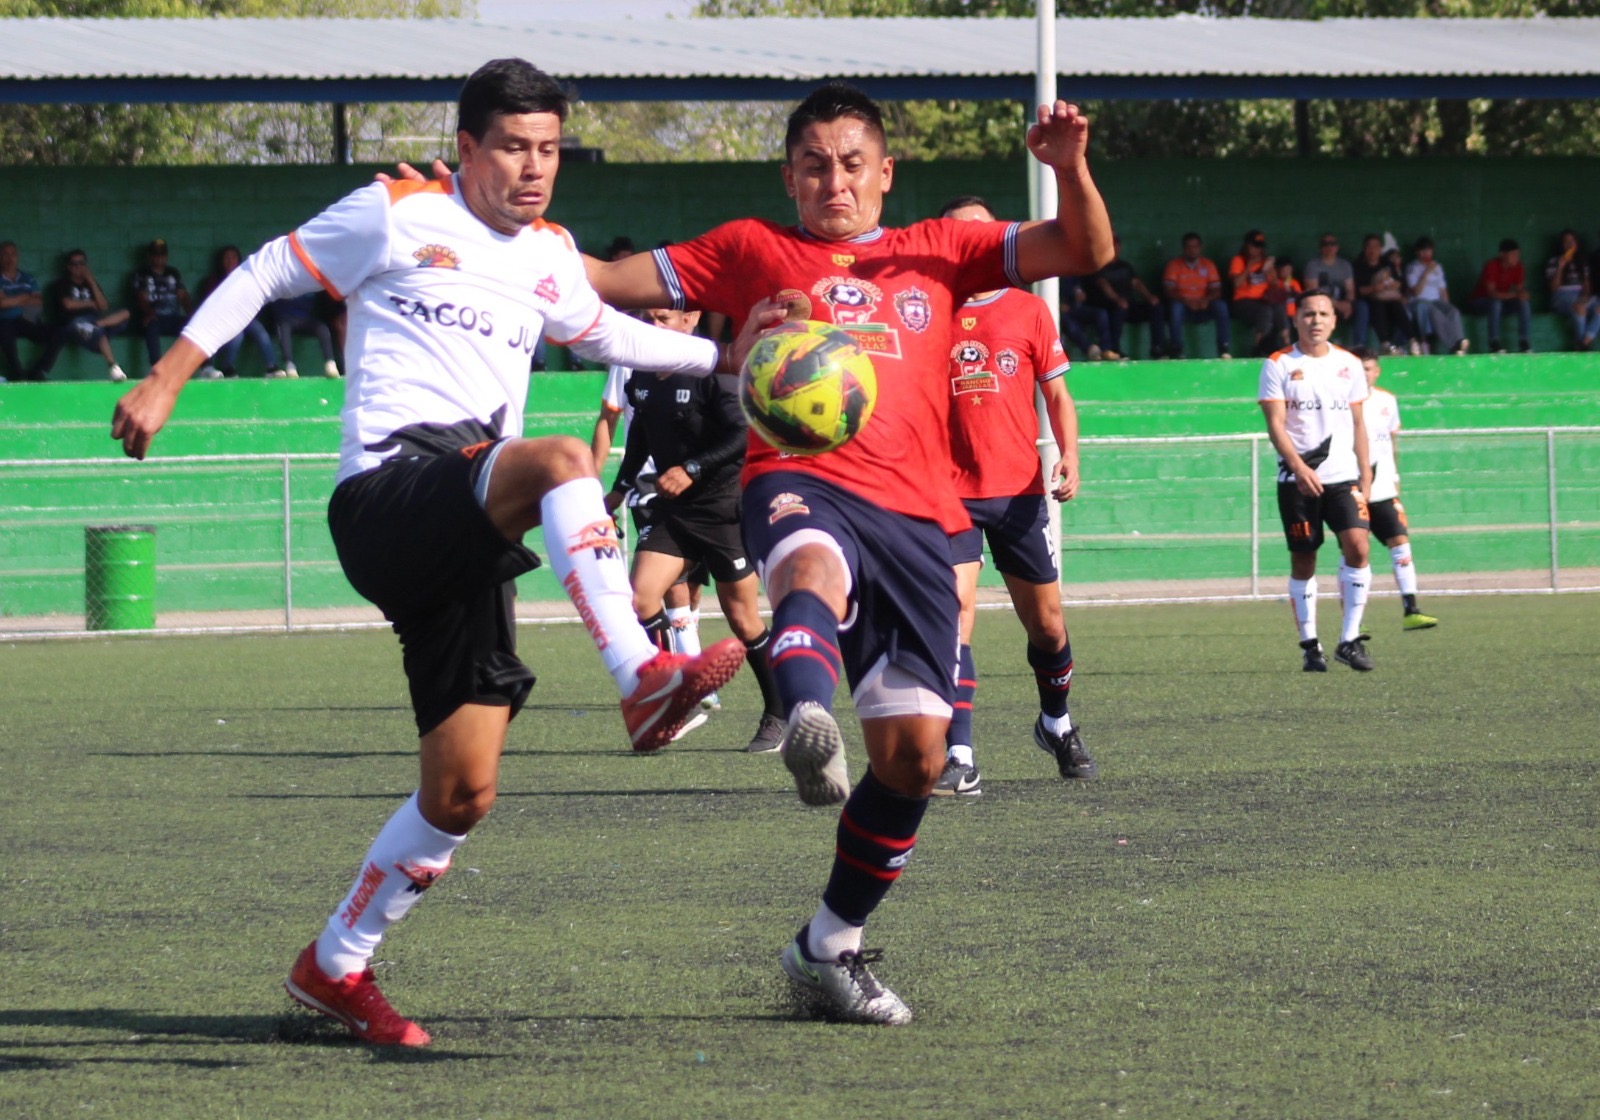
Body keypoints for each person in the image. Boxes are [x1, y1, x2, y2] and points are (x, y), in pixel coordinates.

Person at [110, 58, 757, 1049]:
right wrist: (166, 378)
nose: (534, 168)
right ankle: (640, 675)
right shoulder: (397, 211)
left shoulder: (548, 254)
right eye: (514, 147)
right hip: (388, 494)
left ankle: (334, 964)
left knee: (461, 790)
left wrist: (729, 359)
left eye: (549, 150)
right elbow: (266, 271)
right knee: (561, 456)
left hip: (467, 525)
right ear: (466, 148)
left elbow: (611, 335)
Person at [576, 82, 1112, 1024]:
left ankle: (827, 944)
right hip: (798, 478)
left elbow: (1085, 250)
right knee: (811, 565)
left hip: (920, 517)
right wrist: (490, 221)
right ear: (789, 177)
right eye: (815, 165)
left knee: (915, 757)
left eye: (852, 163)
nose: (835, 181)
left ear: (885, 172)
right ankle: (804, 712)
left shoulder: (941, 249)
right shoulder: (748, 249)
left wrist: (1069, 166)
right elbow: (602, 281)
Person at [932, 195, 1092, 799]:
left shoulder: (1029, 309)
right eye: (957, 236)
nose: (969, 245)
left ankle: (1056, 723)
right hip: (946, 493)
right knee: (955, 616)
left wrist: (1069, 453)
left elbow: (1059, 396)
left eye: (980, 234)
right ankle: (960, 754)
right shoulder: (925, 312)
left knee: (1048, 626)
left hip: (1020, 491)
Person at [605, 307, 786, 755]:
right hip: (675, 511)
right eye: (648, 317)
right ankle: (673, 697)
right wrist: (619, 489)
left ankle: (779, 712)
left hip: (724, 511)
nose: (654, 325)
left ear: (690, 320)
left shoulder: (714, 370)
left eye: (664, 317)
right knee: (641, 598)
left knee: (743, 619)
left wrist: (692, 467)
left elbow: (742, 434)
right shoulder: (642, 373)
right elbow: (641, 434)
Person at [1258, 289, 1375, 674]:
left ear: (1334, 320)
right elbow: (1275, 425)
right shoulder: (1278, 364)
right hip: (1297, 480)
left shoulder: (1349, 364)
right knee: (1304, 558)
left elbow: (1358, 423)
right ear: (1296, 319)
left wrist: (1366, 473)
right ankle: (1311, 645)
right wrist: (1298, 467)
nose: (1316, 320)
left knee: (1358, 547)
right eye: (1309, 314)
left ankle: (1350, 640)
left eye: (1324, 314)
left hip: (1343, 477)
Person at [1350, 346, 1439, 631]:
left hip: (1384, 489)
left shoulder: (1387, 400)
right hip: (1352, 489)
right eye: (1359, 369)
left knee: (1400, 542)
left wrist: (1395, 476)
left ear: (1376, 372)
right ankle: (1354, 622)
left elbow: (1392, 441)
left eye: (1368, 369)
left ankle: (1411, 610)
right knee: (1355, 552)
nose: (1364, 374)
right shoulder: (1341, 403)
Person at [197, 245, 285, 379]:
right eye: (227, 258)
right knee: (237, 335)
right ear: (221, 261)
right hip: (224, 317)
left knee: (260, 332)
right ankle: (228, 368)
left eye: (233, 257)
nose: (230, 261)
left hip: (244, 315)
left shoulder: (243, 278)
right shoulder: (214, 280)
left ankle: (271, 367)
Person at [46, 249, 130, 382]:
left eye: (82, 263)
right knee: (98, 332)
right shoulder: (63, 283)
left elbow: (103, 306)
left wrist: (91, 282)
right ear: (69, 266)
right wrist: (91, 303)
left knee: (125, 313)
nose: (78, 267)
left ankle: (96, 326)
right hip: (75, 323)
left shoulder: (90, 283)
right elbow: (68, 304)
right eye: (74, 264)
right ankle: (113, 366)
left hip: (96, 320)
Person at [1089, 234, 1167, 359]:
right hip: (1110, 307)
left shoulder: (1125, 266)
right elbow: (1103, 285)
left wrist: (1149, 297)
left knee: (1156, 307)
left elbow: (1136, 283)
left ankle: (1157, 349)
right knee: (1120, 309)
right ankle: (1115, 349)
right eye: (1112, 246)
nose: (1115, 249)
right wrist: (1117, 300)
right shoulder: (1100, 266)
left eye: (1117, 246)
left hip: (1129, 306)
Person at [1162, 232, 1229, 359]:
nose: (1192, 250)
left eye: (1195, 246)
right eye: (1188, 247)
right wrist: (1186, 301)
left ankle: (1223, 348)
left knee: (1221, 306)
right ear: (1184, 248)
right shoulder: (1174, 265)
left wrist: (1206, 299)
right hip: (1184, 306)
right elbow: (1168, 290)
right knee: (1175, 308)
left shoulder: (1208, 264)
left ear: (1200, 248)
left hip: (1204, 306)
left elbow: (1217, 290)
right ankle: (1177, 350)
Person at [132, 238, 192, 371]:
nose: (159, 258)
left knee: (195, 325)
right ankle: (157, 368)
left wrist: (192, 314)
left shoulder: (173, 272)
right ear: (149, 256)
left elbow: (183, 295)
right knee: (151, 325)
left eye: (162, 254)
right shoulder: (142, 273)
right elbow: (141, 298)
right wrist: (149, 313)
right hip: (154, 318)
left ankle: (206, 367)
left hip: (173, 317)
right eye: (156, 254)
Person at [1403, 236, 1468, 355]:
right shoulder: (1413, 267)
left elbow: (1442, 290)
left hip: (1436, 301)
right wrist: (1427, 271)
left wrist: (1446, 306)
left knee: (1453, 311)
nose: (1426, 253)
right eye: (1423, 250)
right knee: (1434, 312)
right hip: (1420, 302)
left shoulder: (1437, 267)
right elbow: (1416, 292)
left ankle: (1460, 342)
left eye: (1429, 250)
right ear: (1417, 252)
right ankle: (1452, 346)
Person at [1228, 229, 1288, 357]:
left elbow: (1275, 285)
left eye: (1260, 246)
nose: (1257, 250)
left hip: (1263, 300)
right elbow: (1237, 284)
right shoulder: (1239, 260)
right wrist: (1249, 266)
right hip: (1242, 302)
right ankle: (1259, 347)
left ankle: (1287, 345)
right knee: (1265, 311)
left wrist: (1269, 271)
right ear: (1247, 245)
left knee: (1278, 308)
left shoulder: (1265, 262)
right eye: (1254, 246)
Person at [0, 239, 53, 381]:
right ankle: (18, 374)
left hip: (26, 318)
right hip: (5, 320)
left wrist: (12, 301)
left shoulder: (27, 278)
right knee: (5, 334)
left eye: (13, 254)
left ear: (17, 257)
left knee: (57, 332)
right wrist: (25, 297)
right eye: (5, 254)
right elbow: (2, 304)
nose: (9, 258)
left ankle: (37, 371)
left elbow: (38, 302)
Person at [1468, 238, 1533, 353]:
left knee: (1524, 303)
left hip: (1502, 303)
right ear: (1502, 254)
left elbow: (1519, 290)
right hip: (1480, 303)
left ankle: (1524, 343)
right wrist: (1515, 294)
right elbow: (1492, 293)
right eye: (1512, 254)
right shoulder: (1492, 265)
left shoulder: (1518, 266)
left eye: (1517, 254)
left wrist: (1524, 294)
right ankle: (1494, 343)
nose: (1516, 257)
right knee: (1495, 303)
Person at [1351, 234, 1412, 355]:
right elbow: (1358, 291)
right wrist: (1375, 288)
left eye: (1376, 247)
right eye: (1369, 247)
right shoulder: (1358, 265)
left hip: (1388, 299)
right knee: (1376, 307)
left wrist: (1394, 285)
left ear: (1380, 249)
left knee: (1398, 307)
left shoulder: (1386, 262)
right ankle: (1385, 346)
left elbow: (1399, 283)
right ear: (1364, 249)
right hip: (1368, 301)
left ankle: (1413, 341)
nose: (1372, 250)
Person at [1546, 229, 1598, 351]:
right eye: (1566, 242)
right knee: (1580, 308)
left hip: (1580, 295)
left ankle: (1584, 343)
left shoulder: (1582, 261)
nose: (1570, 244)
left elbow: (1586, 285)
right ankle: (1580, 344)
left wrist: (1586, 296)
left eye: (1572, 241)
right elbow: (1554, 288)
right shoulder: (1553, 261)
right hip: (1562, 296)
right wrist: (1560, 267)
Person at [270, 291, 343, 378]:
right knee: (284, 328)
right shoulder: (283, 286)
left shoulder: (308, 287)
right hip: (286, 318)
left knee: (322, 329)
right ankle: (289, 364)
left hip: (305, 319)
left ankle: (330, 363)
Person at [1302, 233, 1357, 340]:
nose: (1329, 247)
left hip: (1343, 303)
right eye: (1325, 244)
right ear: (1320, 247)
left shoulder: (1345, 265)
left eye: (1332, 244)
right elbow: (1313, 292)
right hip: (1320, 304)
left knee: (1362, 307)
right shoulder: (1312, 265)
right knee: (1315, 308)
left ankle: (1359, 344)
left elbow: (1350, 290)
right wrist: (1337, 304)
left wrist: (1348, 303)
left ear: (1337, 247)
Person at [1059, 273, 1112, 360]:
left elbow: (1078, 290)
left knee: (1100, 314)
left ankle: (1105, 350)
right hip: (1057, 312)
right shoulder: (1051, 276)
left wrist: (1080, 295)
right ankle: (1089, 349)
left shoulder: (1071, 274)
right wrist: (1058, 305)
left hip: (1074, 308)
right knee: (1069, 323)